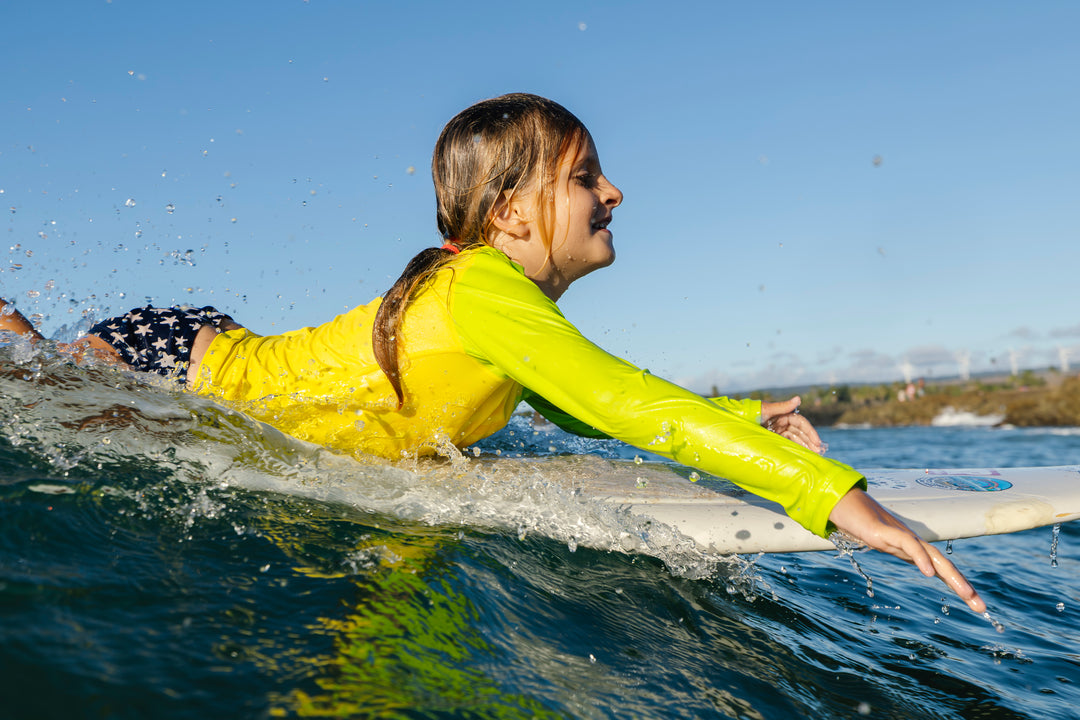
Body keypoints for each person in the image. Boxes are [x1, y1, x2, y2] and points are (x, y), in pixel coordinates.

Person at [0, 93, 984, 613]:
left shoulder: (490, 303)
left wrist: (740, 420)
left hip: (202, 345)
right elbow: (624, 404)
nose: (616, 192)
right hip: (179, 362)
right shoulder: (482, 292)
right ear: (510, 213)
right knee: (31, 376)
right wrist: (843, 500)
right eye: (586, 175)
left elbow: (587, 399)